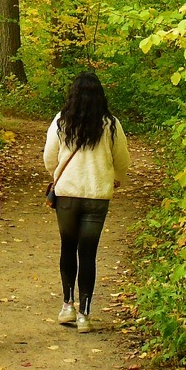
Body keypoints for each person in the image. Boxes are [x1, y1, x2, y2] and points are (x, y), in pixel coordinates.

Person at [43, 72, 130, 332]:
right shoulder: (111, 124)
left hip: (67, 194)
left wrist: (57, 176)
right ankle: (85, 314)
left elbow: (50, 156)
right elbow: (122, 159)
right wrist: (115, 178)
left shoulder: (61, 121)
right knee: (88, 254)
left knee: (67, 248)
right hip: (96, 196)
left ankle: (67, 305)